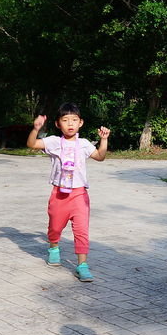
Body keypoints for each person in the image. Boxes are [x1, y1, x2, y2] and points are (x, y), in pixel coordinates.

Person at [26, 103, 110, 282]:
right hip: (58, 194)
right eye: (65, 120)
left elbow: (100, 157)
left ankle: (82, 265)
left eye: (74, 120)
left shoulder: (84, 144)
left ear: (81, 123)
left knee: (81, 230)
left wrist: (104, 140)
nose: (70, 124)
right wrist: (36, 128)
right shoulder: (53, 142)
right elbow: (31, 143)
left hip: (79, 195)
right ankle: (54, 248)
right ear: (58, 124)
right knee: (55, 227)